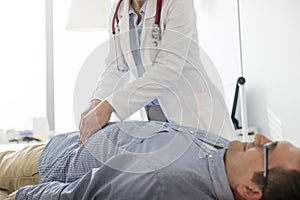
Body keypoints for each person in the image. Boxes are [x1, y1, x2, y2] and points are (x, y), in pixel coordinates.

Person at [0, 121, 299, 200]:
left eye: (268, 150)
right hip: (67, 144)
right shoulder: (225, 152)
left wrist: (24, 196)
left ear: (249, 190)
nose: (260, 139)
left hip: (44, 168)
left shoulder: (165, 181)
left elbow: (80, 196)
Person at [79, 0, 235, 145]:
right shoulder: (118, 9)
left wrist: (110, 105)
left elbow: (168, 69)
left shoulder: (176, 3)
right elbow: (117, 66)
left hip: (195, 116)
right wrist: (96, 102)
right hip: (156, 119)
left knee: (212, 170)